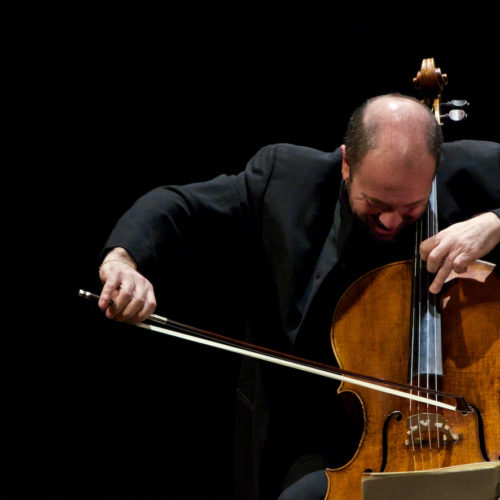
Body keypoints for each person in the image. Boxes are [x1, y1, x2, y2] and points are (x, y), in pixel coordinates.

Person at [97, 94, 500, 499]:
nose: (392, 220)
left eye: (411, 206)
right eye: (375, 203)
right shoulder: (288, 179)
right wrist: (122, 261)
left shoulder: (466, 168)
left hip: (461, 428)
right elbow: (180, 205)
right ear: (346, 163)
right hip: (317, 434)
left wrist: (493, 223)